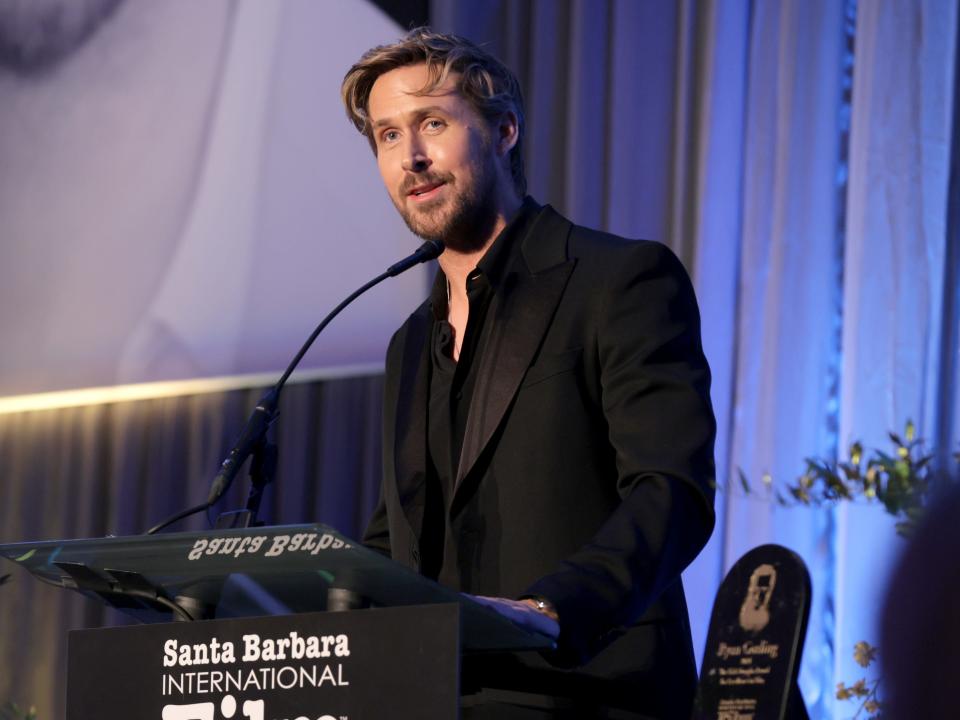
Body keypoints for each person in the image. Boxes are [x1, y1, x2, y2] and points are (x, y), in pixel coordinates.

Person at [341, 27, 716, 719]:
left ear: (504, 129)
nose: (412, 157)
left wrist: (549, 610)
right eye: (388, 137)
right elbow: (396, 536)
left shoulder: (619, 280)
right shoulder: (407, 344)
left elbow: (672, 492)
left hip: (590, 692)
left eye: (432, 123)